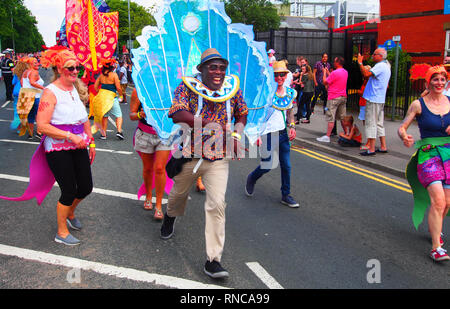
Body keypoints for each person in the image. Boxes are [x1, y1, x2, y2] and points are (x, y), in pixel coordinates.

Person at [160, 48, 248, 279]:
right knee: (178, 197)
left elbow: (242, 113)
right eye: (213, 67)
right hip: (191, 154)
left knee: (217, 205)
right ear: (202, 69)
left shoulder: (232, 89)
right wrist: (214, 125)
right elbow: (177, 113)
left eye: (221, 67)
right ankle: (169, 217)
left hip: (219, 157)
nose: (218, 71)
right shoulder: (187, 87)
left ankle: (213, 260)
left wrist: (237, 135)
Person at [0, 47, 96, 246]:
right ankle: (61, 232)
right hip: (58, 147)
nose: (75, 71)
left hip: (78, 145)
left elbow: (83, 118)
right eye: (70, 67)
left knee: (86, 186)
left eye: (77, 67)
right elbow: (43, 126)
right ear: (59, 68)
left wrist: (91, 141)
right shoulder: (50, 92)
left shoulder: (75, 88)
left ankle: (70, 212)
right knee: (68, 189)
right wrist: (69, 135)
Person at [398, 65, 450, 262]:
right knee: (438, 201)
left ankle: (435, 229)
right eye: (435, 79)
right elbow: (402, 127)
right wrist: (404, 136)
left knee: (447, 202)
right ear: (428, 82)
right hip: (428, 157)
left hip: (448, 155)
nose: (439, 83)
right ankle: (437, 247)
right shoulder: (418, 105)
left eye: (442, 79)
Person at [245, 60, 299, 208]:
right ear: (271, 76)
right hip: (268, 134)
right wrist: (256, 135)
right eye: (276, 75)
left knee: (286, 165)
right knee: (267, 165)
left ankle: (286, 195)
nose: (279, 78)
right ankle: (252, 177)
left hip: (282, 133)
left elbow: (290, 112)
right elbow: (254, 115)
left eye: (282, 75)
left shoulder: (288, 93)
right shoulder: (264, 92)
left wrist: (292, 126)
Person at [130, 89, 171, 219]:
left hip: (164, 136)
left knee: (159, 168)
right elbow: (132, 115)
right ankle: (148, 196)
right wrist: (140, 114)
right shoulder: (138, 90)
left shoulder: (169, 89)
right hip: (144, 134)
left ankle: (158, 205)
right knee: (148, 169)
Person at [357, 48, 391, 156]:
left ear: (380, 56)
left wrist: (360, 62)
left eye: (374, 54)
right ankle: (383, 146)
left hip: (373, 99)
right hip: (380, 99)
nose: (372, 55)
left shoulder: (380, 66)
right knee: (379, 123)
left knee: (371, 123)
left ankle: (371, 149)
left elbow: (366, 74)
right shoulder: (386, 66)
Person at [316, 56, 348, 143]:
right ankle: (347, 134)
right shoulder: (345, 72)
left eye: (334, 61)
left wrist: (324, 73)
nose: (333, 63)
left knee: (331, 117)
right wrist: (328, 72)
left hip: (333, 97)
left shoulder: (335, 73)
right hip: (343, 96)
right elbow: (334, 78)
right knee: (342, 117)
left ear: (338, 62)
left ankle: (327, 136)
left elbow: (325, 82)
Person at [92, 58, 124, 140]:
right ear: (111, 67)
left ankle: (103, 134)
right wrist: (121, 96)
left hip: (102, 98)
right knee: (118, 115)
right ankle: (119, 131)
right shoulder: (114, 75)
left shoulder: (101, 76)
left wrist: (101, 93)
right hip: (112, 98)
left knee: (104, 116)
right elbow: (118, 88)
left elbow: (95, 87)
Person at [21, 57, 45, 139]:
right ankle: (39, 133)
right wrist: (43, 88)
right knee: (39, 116)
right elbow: (32, 82)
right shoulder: (34, 72)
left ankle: (30, 134)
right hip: (35, 97)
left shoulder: (25, 72)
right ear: (30, 64)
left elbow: (22, 83)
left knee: (30, 116)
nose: (37, 64)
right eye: (35, 62)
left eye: (37, 62)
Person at [10, 59, 28, 132]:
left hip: (17, 92)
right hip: (24, 92)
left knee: (16, 109)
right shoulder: (27, 73)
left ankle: (18, 126)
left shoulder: (16, 73)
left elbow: (13, 83)